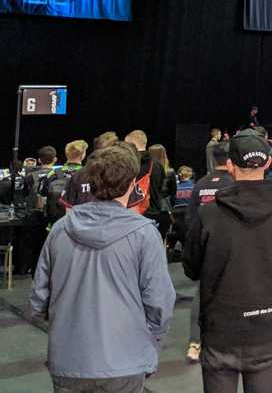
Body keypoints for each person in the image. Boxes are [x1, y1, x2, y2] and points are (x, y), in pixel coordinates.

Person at [30, 143, 175, 392]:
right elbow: (160, 303)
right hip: (125, 363)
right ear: (132, 184)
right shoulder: (144, 234)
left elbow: (37, 301)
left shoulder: (60, 230)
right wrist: (148, 343)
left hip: (68, 361)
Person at [183, 130, 272, 393]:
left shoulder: (208, 214)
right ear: (268, 163)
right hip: (268, 327)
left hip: (220, 330)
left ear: (230, 165)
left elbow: (191, 268)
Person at [185, 143, 235, 363]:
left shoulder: (201, 184)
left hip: (206, 247)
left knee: (202, 294)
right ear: (231, 160)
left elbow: (190, 219)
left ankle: (195, 343)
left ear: (214, 160)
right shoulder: (235, 185)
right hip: (230, 248)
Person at [125, 130, 168, 225]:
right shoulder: (157, 164)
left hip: (133, 215)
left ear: (132, 145)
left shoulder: (127, 163)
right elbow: (163, 190)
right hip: (154, 214)